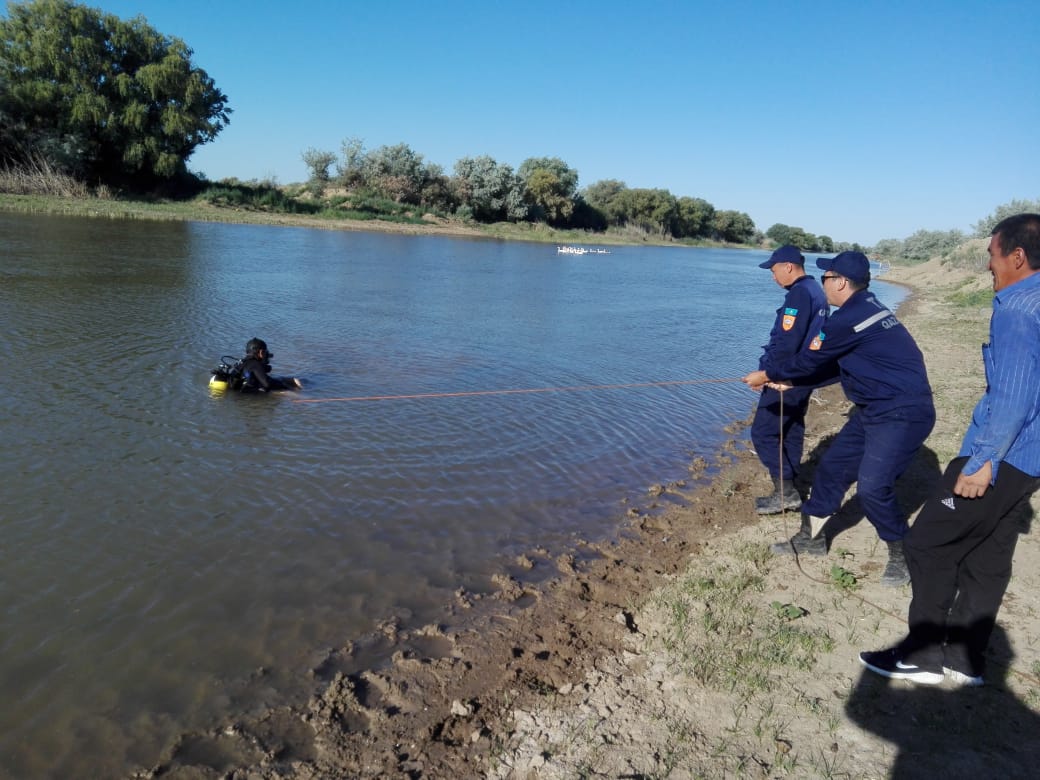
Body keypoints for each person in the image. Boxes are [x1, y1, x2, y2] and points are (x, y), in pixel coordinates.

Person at [860, 213, 1040, 684]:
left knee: (925, 543)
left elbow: (1014, 394)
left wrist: (982, 463)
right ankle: (965, 659)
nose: (988, 265)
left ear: (1017, 256)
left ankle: (922, 655)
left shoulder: (1020, 310)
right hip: (1032, 457)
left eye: (992, 254)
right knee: (989, 553)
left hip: (1004, 454)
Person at [743, 251, 935, 586]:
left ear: (841, 282)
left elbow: (809, 360)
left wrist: (767, 373)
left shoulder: (848, 319)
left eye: (827, 277)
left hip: (902, 413)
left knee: (873, 487)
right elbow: (836, 365)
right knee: (831, 470)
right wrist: (792, 382)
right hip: (875, 408)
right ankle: (811, 538)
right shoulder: (867, 307)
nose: (823, 283)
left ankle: (902, 554)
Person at [750, 245, 830, 514]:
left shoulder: (799, 294)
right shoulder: (816, 291)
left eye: (774, 271)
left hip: (786, 378)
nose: (773, 277)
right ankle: (792, 485)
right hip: (804, 376)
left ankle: (786, 492)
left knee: (763, 432)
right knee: (791, 429)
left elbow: (786, 342)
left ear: (788, 266)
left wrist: (767, 374)